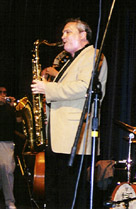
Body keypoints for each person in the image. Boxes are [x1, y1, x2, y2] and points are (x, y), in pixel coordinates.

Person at [31, 18, 108, 209]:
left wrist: (47, 88)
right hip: (60, 140)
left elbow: (84, 88)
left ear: (83, 35)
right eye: (63, 33)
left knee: (71, 196)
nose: (62, 36)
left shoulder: (93, 55)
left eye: (68, 32)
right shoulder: (72, 60)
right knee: (56, 197)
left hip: (75, 140)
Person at [0, 86, 18, 209]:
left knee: (7, 170)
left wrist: (14, 107)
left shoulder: (9, 108)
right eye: (0, 92)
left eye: (4, 92)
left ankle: (10, 202)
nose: (2, 94)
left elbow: (18, 121)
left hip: (6, 142)